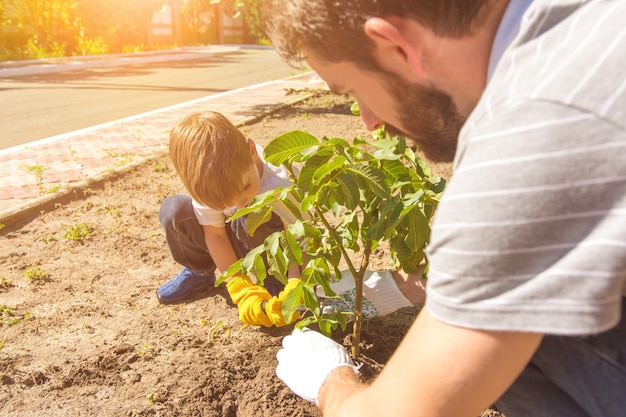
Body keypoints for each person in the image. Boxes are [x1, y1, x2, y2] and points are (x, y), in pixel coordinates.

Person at [265, 1, 626, 416]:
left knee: (507, 342)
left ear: (395, 46)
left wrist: (329, 381)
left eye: (351, 90)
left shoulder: (531, 130)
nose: (367, 121)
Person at [157, 110, 426, 326]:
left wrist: (296, 283)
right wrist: (240, 287)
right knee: (176, 212)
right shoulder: (210, 185)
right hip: (232, 239)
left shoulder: (281, 181)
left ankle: (275, 279)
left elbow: (300, 237)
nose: (239, 202)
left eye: (244, 189)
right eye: (226, 202)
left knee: (252, 215)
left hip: (275, 243)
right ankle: (201, 272)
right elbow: (214, 234)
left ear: (252, 150)